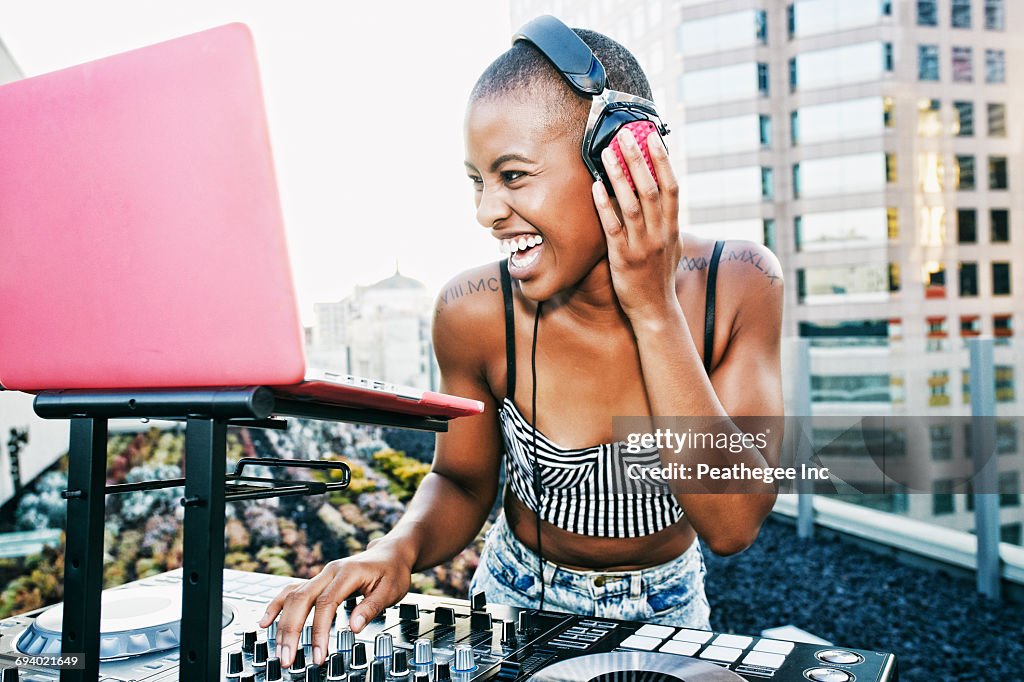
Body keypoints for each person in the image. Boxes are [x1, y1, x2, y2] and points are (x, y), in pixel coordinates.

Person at [260, 19, 784, 669]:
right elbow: (459, 478)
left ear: (618, 165)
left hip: (667, 608)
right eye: (477, 181)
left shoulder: (741, 283)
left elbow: (734, 525)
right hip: (511, 598)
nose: (485, 211)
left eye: (512, 176)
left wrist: (652, 308)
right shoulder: (471, 311)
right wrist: (392, 549)